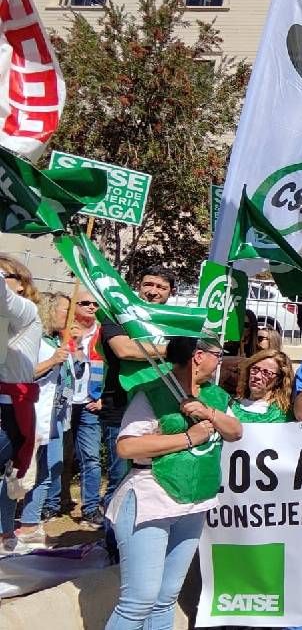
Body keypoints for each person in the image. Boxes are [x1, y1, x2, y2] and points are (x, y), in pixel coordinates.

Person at [104, 336, 242, 629]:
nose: (221, 361)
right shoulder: (152, 393)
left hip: (195, 503)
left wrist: (208, 413)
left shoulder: (215, 395)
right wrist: (188, 438)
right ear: (198, 356)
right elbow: (127, 447)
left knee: (166, 596)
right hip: (151, 499)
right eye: (217, 355)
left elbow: (235, 431)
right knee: (139, 600)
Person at [96, 266, 177, 522]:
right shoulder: (115, 315)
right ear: (138, 286)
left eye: (161, 287)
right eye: (148, 285)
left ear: (170, 293)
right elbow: (125, 350)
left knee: (155, 478)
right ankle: (112, 545)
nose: (153, 292)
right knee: (120, 480)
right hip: (120, 407)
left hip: (162, 407)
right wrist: (175, 349)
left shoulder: (173, 320)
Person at [15, 292, 78, 548]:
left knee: (50, 470)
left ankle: (30, 524)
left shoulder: (57, 340)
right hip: (33, 415)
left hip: (56, 418)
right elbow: (22, 374)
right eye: (66, 310)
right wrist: (52, 361)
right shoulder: (34, 341)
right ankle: (8, 528)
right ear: (49, 311)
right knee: (21, 475)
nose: (70, 316)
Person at [0, 257, 43, 554]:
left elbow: (4, 301)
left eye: (4, 274)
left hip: (7, 411)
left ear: (21, 284)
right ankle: (6, 535)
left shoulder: (27, 312)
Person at [59, 286, 104, 522]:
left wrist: (103, 396)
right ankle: (56, 503)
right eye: (85, 303)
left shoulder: (103, 333)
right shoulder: (60, 331)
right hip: (63, 404)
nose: (91, 307)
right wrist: (73, 343)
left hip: (89, 404)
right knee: (59, 457)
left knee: (91, 458)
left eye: (95, 304)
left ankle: (90, 509)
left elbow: (112, 369)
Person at [233, 350, 295, 423]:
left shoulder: (282, 415)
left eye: (266, 373)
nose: (257, 376)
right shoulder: (231, 405)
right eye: (255, 369)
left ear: (278, 380)